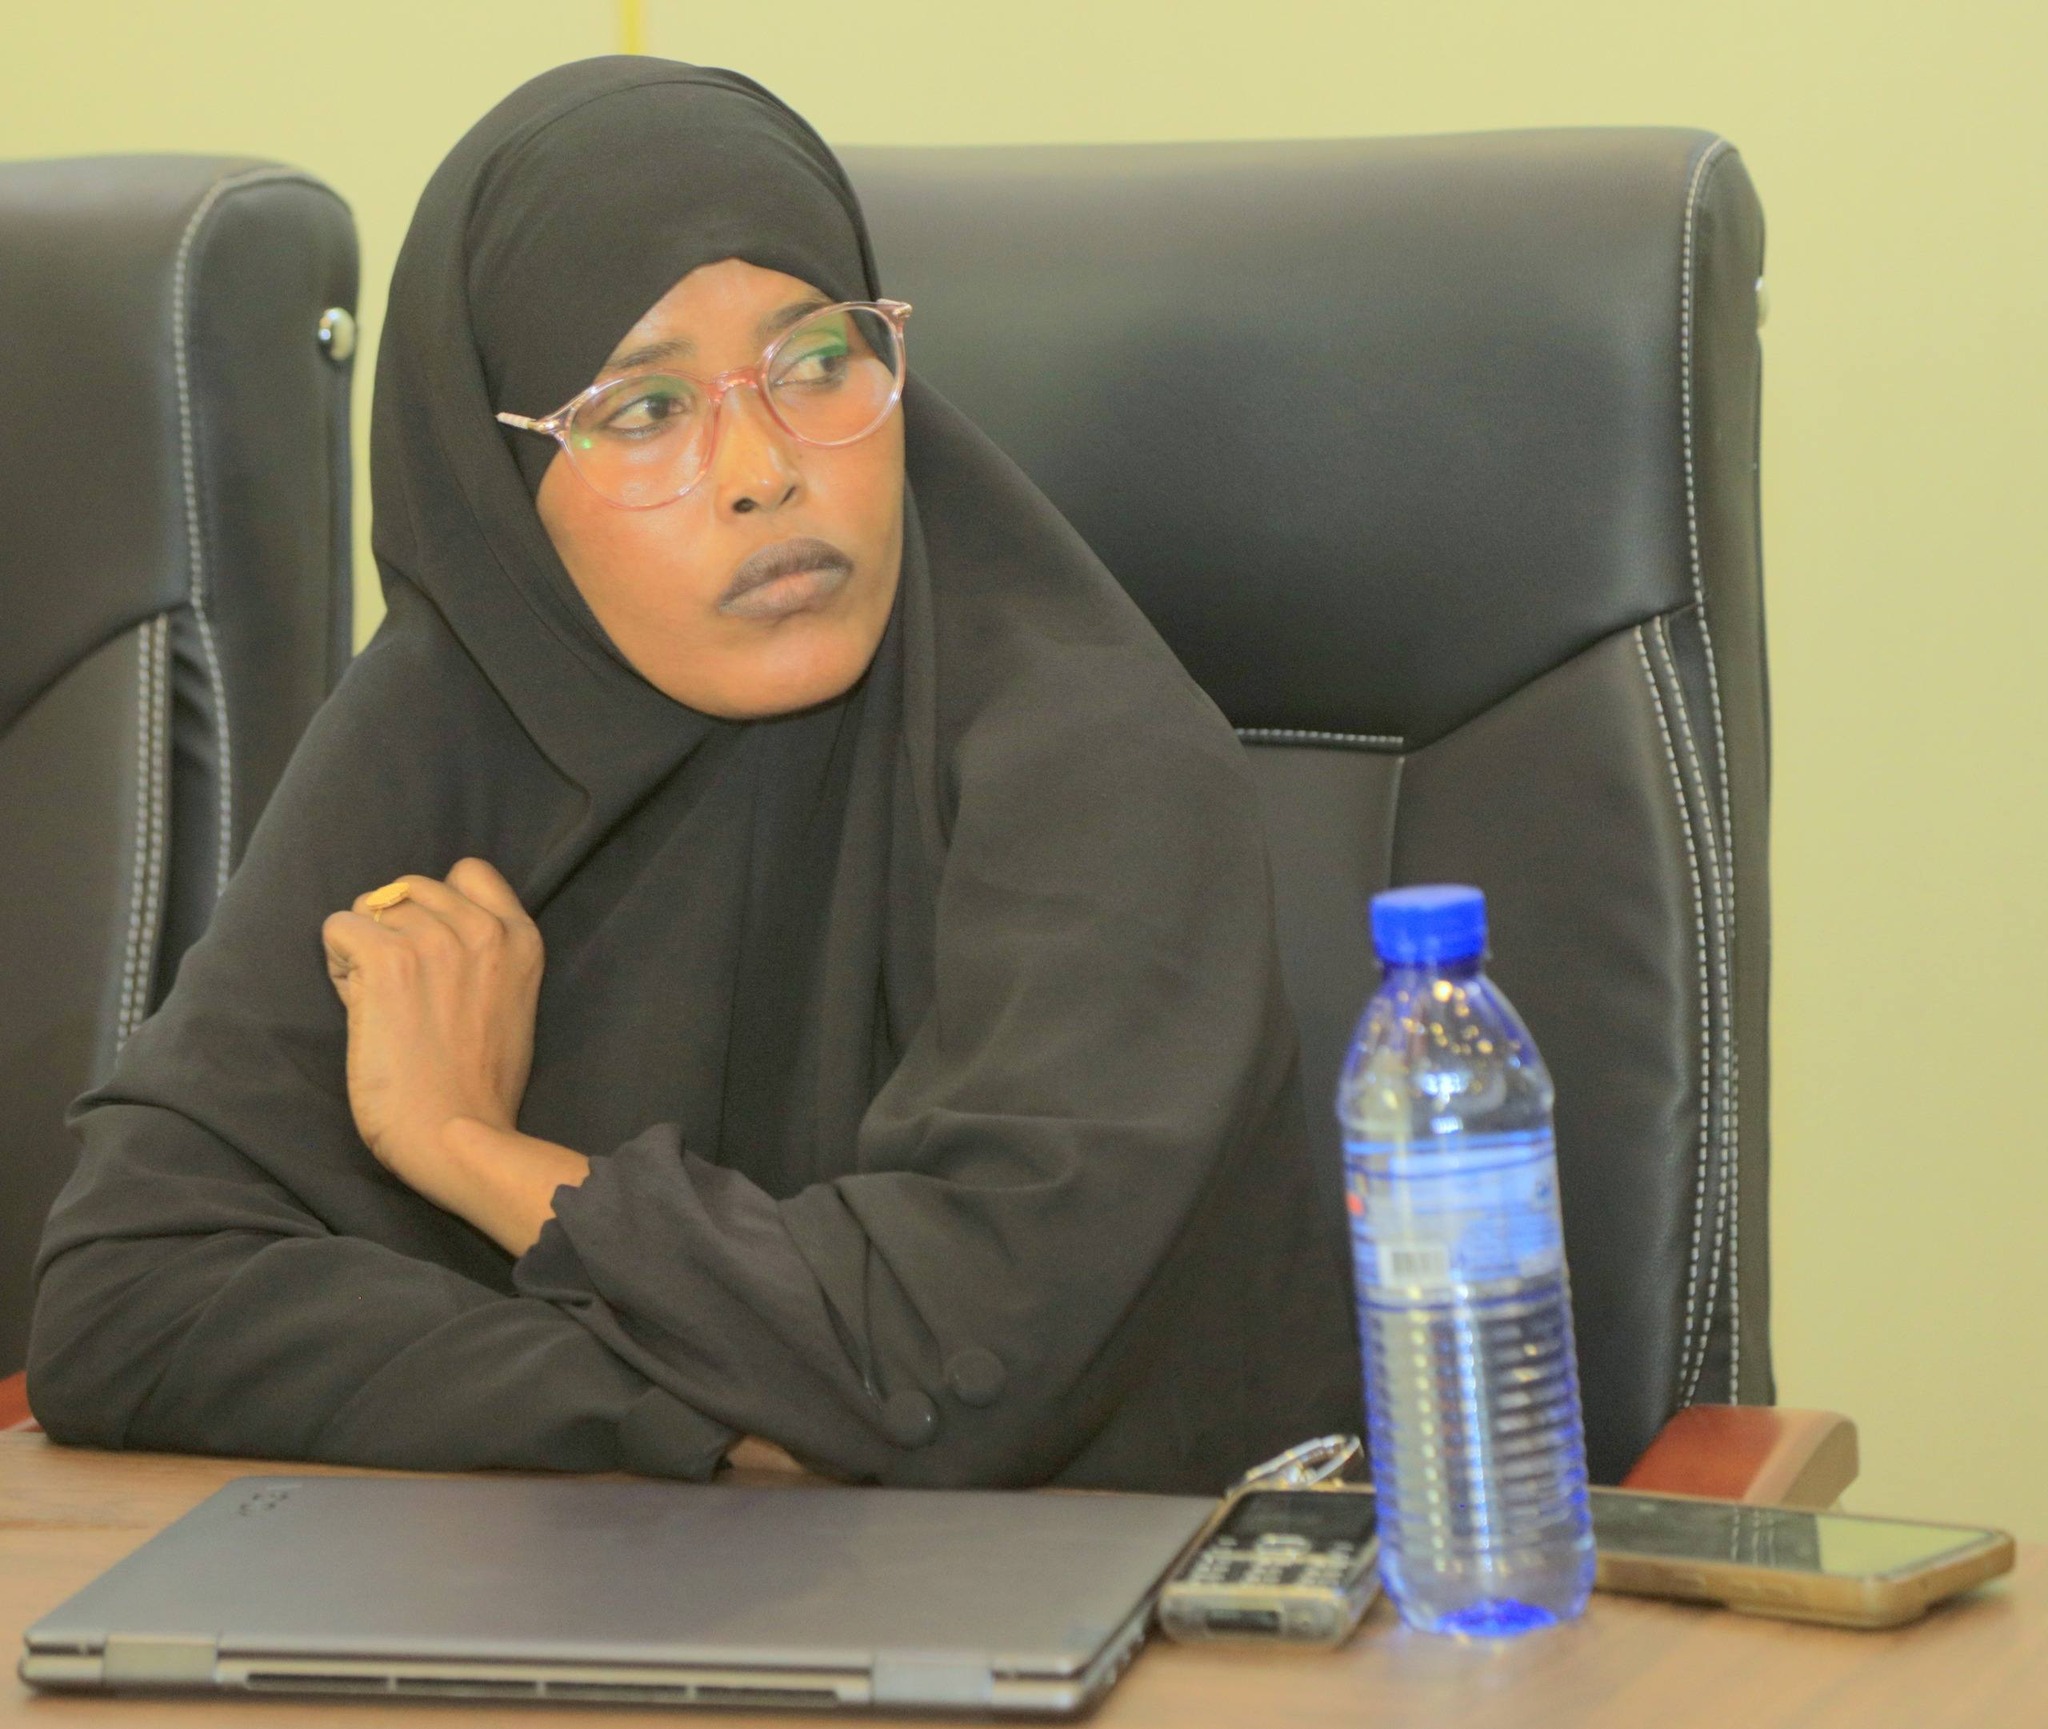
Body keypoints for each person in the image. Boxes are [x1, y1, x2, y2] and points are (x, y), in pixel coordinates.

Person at [27, 58, 1358, 1493]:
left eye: (817, 363)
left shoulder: (1098, 753)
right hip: (593, 1601)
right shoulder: (443, 727)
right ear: (496, 492)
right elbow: (124, 1302)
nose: (762, 470)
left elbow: (957, 1361)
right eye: (645, 408)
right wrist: (726, 1417)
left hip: (1117, 1610)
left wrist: (470, 1149)